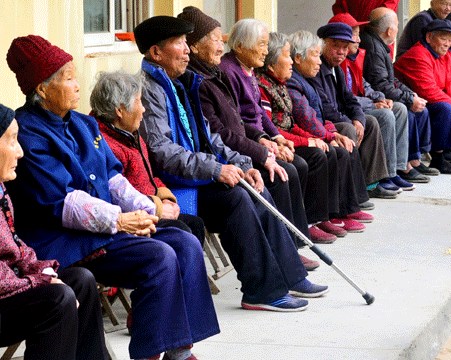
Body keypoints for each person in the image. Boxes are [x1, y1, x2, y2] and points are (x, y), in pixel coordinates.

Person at [5, 34, 218, 360]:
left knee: (184, 241)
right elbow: (63, 202)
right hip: (64, 240)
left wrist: (148, 209)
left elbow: (112, 178)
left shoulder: (82, 124)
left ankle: (177, 349)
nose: (78, 85)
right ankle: (150, 352)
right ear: (42, 89)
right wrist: (119, 220)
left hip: (103, 230)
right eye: (68, 78)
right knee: (159, 257)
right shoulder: (29, 132)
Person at [134, 16, 328, 312]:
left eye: (187, 43)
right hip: (175, 186)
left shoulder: (180, 82)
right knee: (236, 198)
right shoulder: (149, 89)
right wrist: (217, 169)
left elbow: (210, 137)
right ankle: (260, 290)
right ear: (156, 53)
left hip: (197, 174)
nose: (187, 50)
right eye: (179, 43)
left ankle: (289, 276)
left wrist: (241, 162)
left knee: (254, 187)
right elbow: (162, 152)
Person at [176, 9, 330, 255]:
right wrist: (260, 151)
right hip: (224, 158)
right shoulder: (215, 75)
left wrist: (269, 139)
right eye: (216, 39)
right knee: (282, 173)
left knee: (295, 165)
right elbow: (220, 133)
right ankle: (288, 248)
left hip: (240, 149)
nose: (266, 51)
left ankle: (295, 243)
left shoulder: (220, 73)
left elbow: (244, 119)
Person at [0, 103, 108, 360]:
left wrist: (43, 272)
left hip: (10, 290)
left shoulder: (2, 191)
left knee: (80, 281)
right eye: (12, 141)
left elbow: (16, 246)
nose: (20, 152)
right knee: (58, 299)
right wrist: (41, 281)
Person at [259, 30, 377, 235]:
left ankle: (336, 212)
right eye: (315, 55)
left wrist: (327, 135)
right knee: (318, 156)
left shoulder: (298, 79)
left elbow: (307, 117)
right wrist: (316, 139)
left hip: (294, 136)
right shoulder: (287, 82)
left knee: (338, 145)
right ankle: (313, 221)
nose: (320, 61)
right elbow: (294, 122)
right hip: (279, 143)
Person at [90, 71, 207, 247]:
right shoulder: (107, 145)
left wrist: (166, 198)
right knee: (182, 233)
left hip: (151, 204)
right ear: (120, 110)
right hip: (135, 217)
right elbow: (119, 197)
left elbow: (149, 177)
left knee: (195, 224)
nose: (144, 109)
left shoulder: (131, 134)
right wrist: (159, 208)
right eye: (138, 102)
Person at [309, 22, 398, 199]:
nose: (341, 52)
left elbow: (350, 100)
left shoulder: (336, 69)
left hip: (341, 117)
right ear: (323, 44)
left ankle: (371, 183)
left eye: (345, 47)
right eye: (336, 46)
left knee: (370, 121)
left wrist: (358, 119)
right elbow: (325, 108)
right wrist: (351, 122)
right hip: (326, 122)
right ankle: (352, 192)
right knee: (348, 128)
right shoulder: (318, 69)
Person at [332, 12, 419, 190]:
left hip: (359, 105)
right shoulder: (338, 61)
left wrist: (380, 97)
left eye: (357, 34)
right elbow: (345, 97)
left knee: (400, 109)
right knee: (385, 115)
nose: (358, 39)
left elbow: (364, 83)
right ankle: (382, 176)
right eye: (354, 35)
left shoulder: (355, 57)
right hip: (348, 110)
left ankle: (395, 170)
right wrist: (373, 103)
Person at [396, 20, 451, 174]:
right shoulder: (419, 55)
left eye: (450, 40)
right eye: (443, 39)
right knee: (445, 108)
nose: (447, 44)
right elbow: (427, 90)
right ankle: (438, 158)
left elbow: (450, 81)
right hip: (408, 99)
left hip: (423, 97)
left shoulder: (439, 54)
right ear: (429, 37)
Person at [361, 7, 438, 182]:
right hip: (374, 98)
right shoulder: (373, 48)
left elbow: (391, 79)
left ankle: (407, 163)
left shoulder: (378, 44)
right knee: (402, 110)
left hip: (380, 96)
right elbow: (380, 84)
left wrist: (411, 94)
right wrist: (408, 99)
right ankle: (395, 169)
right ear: (389, 30)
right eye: (396, 25)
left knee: (418, 108)